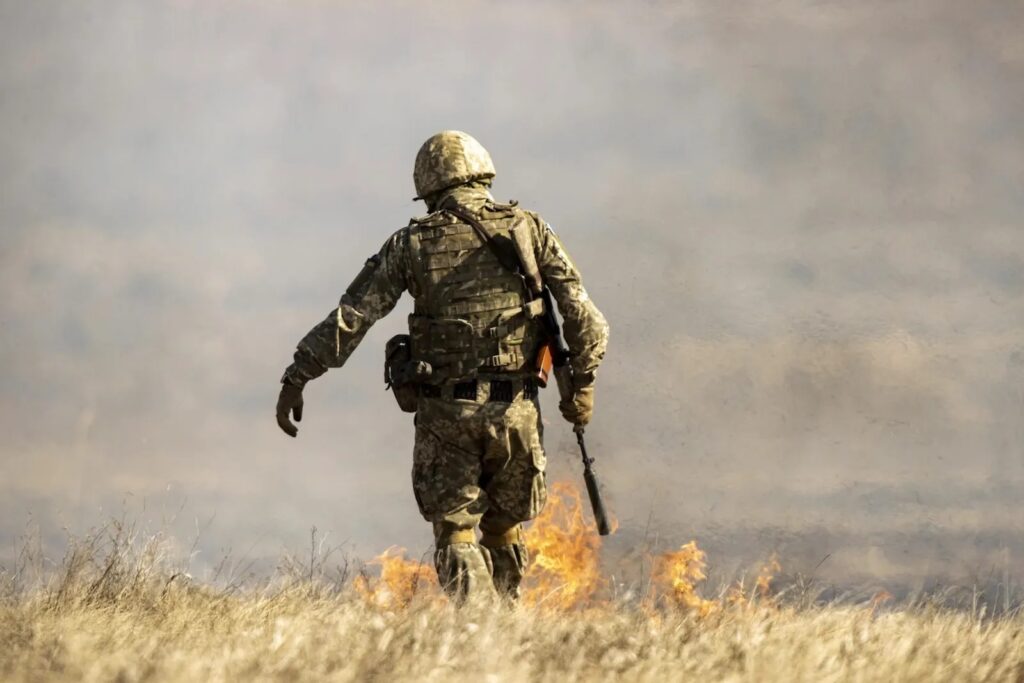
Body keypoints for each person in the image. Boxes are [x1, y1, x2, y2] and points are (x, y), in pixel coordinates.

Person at [276, 131, 609, 601]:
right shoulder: (529, 228)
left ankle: (475, 636)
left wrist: (299, 374)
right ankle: (506, 637)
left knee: (456, 531)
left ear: (429, 188)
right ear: (484, 175)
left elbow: (353, 316)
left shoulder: (411, 243)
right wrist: (583, 384)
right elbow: (585, 319)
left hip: (446, 417)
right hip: (516, 412)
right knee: (505, 528)